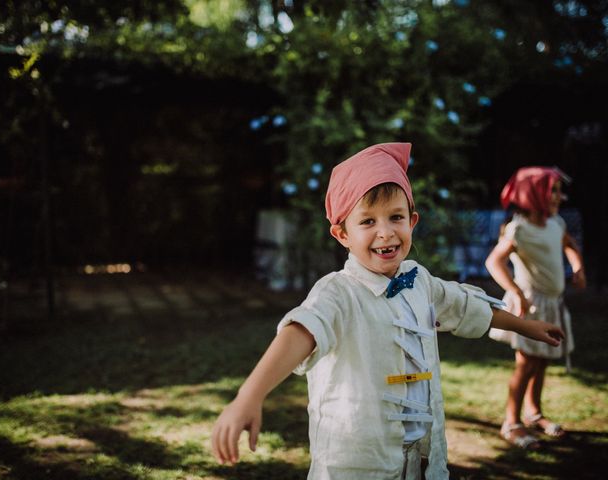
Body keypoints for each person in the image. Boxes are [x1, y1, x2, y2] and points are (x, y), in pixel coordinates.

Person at [212, 144, 564, 479]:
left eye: (395, 217)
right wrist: (250, 396)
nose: (385, 232)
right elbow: (301, 331)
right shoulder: (338, 293)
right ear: (342, 234)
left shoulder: (419, 280)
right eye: (367, 222)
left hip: (418, 459)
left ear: (412, 221)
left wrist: (523, 325)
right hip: (358, 460)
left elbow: (463, 304)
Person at [485, 166, 585, 450]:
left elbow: (570, 245)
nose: (558, 197)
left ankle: (533, 413)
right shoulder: (520, 228)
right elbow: (493, 262)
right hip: (531, 307)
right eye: (551, 191)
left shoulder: (557, 225)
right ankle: (511, 423)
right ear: (533, 194)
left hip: (553, 304)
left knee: (542, 362)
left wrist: (578, 268)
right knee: (526, 363)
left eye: (557, 191)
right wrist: (516, 292)